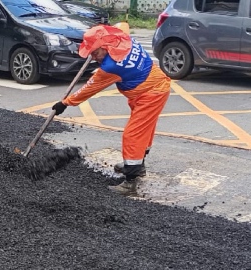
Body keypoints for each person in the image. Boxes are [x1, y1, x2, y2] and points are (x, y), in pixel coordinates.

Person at [52, 25, 171, 197]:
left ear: (105, 46)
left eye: (95, 52)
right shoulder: (122, 38)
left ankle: (131, 181)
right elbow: (121, 26)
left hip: (151, 93)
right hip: (150, 88)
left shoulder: (111, 66)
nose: (93, 57)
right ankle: (137, 165)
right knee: (143, 131)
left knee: (133, 135)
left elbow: (89, 88)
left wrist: (65, 103)